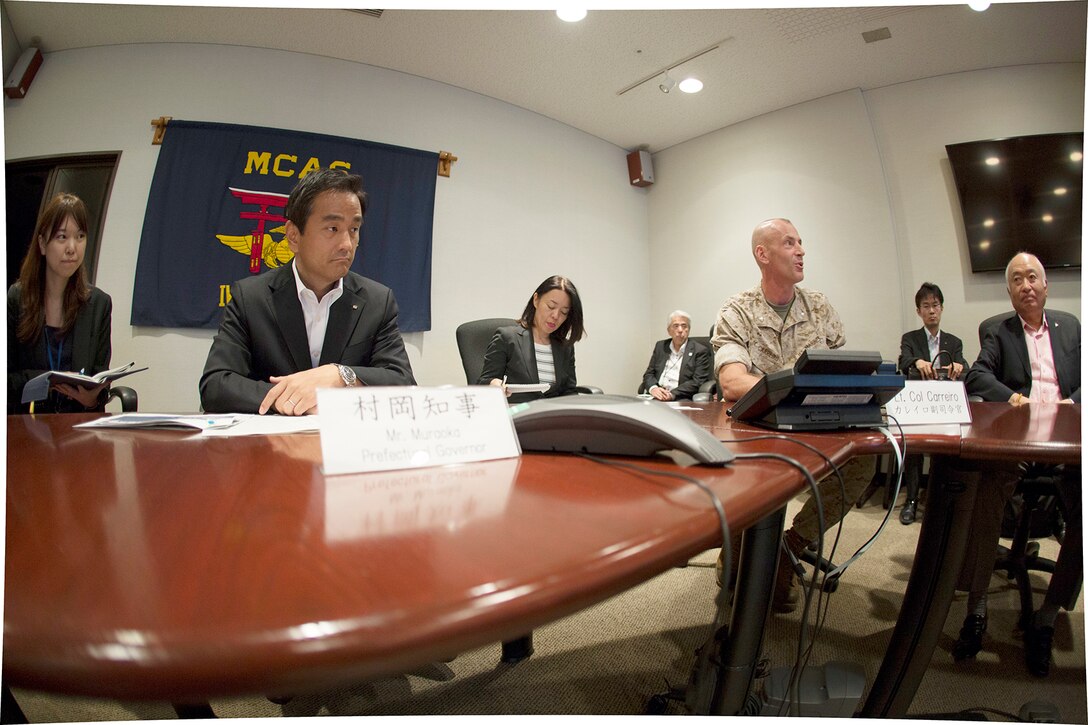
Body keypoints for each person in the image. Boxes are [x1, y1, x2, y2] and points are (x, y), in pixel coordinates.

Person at [712, 218, 875, 612]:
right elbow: (732, 382)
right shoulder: (737, 310)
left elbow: (839, 368)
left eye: (801, 243)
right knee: (735, 576)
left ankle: (791, 546)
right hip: (758, 427)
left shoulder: (819, 307)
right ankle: (740, 543)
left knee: (865, 460)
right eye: (789, 243)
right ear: (762, 255)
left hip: (815, 424)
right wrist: (792, 390)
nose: (801, 250)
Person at [199, 168, 415, 415]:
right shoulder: (250, 297)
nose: (347, 244)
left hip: (345, 447)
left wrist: (340, 375)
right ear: (293, 236)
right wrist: (297, 398)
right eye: (332, 228)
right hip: (271, 446)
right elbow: (216, 386)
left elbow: (403, 383)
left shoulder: (377, 301)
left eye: (354, 230)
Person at [956, 252, 1080, 677]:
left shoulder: (1071, 329)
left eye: (1033, 277)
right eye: (1016, 279)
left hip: (1067, 441)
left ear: (1046, 287)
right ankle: (977, 605)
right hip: (1019, 440)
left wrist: (1071, 403)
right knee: (988, 486)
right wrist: (1013, 397)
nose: (1026, 284)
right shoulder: (998, 331)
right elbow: (976, 376)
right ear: (1009, 292)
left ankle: (1047, 615)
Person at [8, 192, 114, 414]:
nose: (72, 248)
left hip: (78, 426)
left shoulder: (99, 304)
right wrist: (48, 381)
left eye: (81, 236)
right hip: (28, 424)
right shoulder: (17, 299)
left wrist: (92, 400)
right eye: (62, 237)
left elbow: (101, 378)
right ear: (42, 244)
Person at [895, 281, 968, 524]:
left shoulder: (954, 342)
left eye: (935, 305)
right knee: (913, 444)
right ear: (919, 312)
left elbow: (965, 367)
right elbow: (904, 361)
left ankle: (939, 498)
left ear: (942, 308)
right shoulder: (910, 338)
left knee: (950, 445)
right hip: (919, 405)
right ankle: (912, 500)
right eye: (925, 306)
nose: (931, 310)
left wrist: (959, 365)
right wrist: (917, 362)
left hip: (945, 406)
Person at [478, 275, 585, 404]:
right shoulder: (507, 338)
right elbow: (484, 382)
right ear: (536, 300)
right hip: (517, 415)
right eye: (551, 306)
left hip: (552, 417)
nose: (555, 316)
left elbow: (569, 392)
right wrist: (494, 384)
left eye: (563, 312)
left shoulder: (565, 347)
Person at [641, 310, 712, 401]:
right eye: (676, 326)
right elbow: (649, 374)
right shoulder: (660, 346)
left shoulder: (700, 350)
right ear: (669, 330)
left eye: (684, 326)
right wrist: (653, 388)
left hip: (680, 397)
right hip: (656, 396)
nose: (680, 330)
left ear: (688, 329)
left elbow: (697, 381)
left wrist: (672, 394)